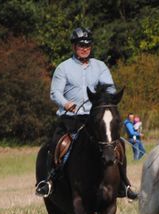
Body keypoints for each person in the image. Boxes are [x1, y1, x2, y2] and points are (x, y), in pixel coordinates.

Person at [35, 27, 137, 199]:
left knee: (118, 144)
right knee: (57, 143)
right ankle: (49, 181)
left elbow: (109, 89)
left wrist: (107, 100)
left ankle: (124, 184)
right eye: (81, 45)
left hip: (94, 118)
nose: (85, 48)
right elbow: (55, 93)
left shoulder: (100, 67)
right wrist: (66, 103)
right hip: (71, 118)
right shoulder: (63, 68)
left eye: (88, 45)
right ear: (74, 46)